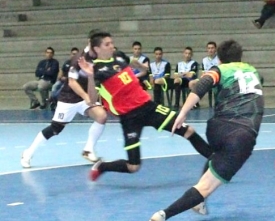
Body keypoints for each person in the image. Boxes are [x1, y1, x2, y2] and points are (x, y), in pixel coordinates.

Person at [147, 39, 264, 221]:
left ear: (218, 59)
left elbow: (200, 87)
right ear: (240, 57)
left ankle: (198, 203)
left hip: (216, 128)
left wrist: (182, 113)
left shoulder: (219, 70)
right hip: (241, 136)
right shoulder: (252, 71)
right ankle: (163, 215)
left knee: (217, 155)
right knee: (206, 187)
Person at [78, 31, 212, 181]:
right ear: (97, 49)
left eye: (111, 42)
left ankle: (216, 162)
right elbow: (91, 99)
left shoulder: (119, 55)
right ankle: (102, 167)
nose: (111, 46)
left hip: (148, 107)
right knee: (133, 167)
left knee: (188, 131)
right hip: (129, 118)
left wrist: (142, 69)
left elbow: (131, 62)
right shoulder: (96, 70)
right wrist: (89, 76)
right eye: (107, 44)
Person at [21, 50, 108, 168]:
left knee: (101, 116)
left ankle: (88, 150)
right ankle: (28, 153)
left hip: (84, 99)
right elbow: (72, 83)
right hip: (68, 99)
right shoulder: (78, 59)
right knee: (55, 129)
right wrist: (86, 96)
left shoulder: (100, 61)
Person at [194, 41, 219, 107]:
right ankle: (196, 103)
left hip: (217, 79)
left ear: (215, 49)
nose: (210, 50)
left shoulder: (219, 59)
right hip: (207, 78)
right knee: (192, 83)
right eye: (209, 48)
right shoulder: (204, 60)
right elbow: (203, 72)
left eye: (212, 48)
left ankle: (218, 103)